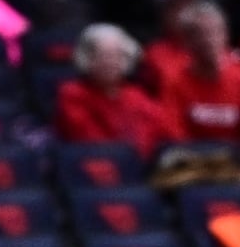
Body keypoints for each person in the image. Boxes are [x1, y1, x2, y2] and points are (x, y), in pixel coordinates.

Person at [53, 24, 173, 162]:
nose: (111, 62)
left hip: (138, 167)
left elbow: (163, 129)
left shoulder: (135, 95)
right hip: (93, 168)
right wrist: (132, 153)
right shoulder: (72, 94)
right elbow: (90, 141)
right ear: (87, 58)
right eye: (103, 56)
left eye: (117, 56)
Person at [164, 1, 240, 148]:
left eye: (215, 32)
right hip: (192, 161)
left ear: (225, 35)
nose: (209, 40)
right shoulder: (175, 82)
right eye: (199, 33)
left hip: (235, 161)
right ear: (187, 41)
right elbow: (175, 134)